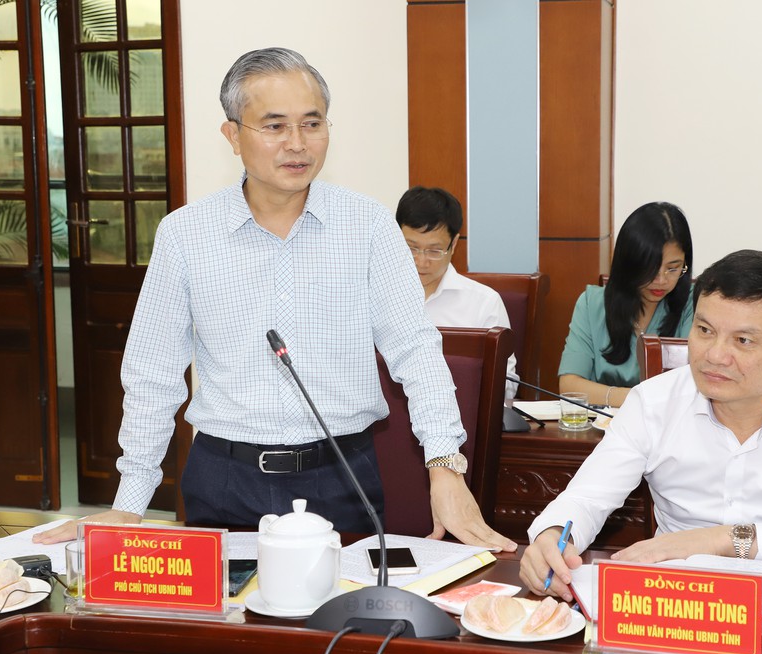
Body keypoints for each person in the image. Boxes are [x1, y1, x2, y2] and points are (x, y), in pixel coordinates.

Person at [34, 47, 516, 553]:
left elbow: (416, 351)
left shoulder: (368, 225)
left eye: (312, 123)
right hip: (224, 480)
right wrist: (130, 502)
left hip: (342, 476)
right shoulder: (186, 235)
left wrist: (444, 466)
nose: (297, 143)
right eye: (275, 126)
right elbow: (153, 373)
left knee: (346, 605)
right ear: (232, 135)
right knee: (226, 607)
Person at [521, 249, 762, 601]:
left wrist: (723, 540)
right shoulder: (653, 402)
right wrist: (551, 537)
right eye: (704, 330)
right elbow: (586, 498)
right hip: (679, 604)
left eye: (743, 340)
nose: (714, 355)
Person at [558, 202, 695, 408]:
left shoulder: (695, 304)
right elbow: (569, 385)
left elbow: (689, 387)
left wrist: (607, 395)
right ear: (628, 264)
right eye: (650, 269)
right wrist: (636, 399)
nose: (661, 280)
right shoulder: (592, 304)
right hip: (603, 425)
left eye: (673, 269)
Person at [395, 185, 518, 400]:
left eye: (434, 251)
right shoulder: (370, 296)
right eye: (411, 248)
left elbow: (507, 385)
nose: (421, 261)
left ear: (453, 244)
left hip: (458, 414)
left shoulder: (484, 302)